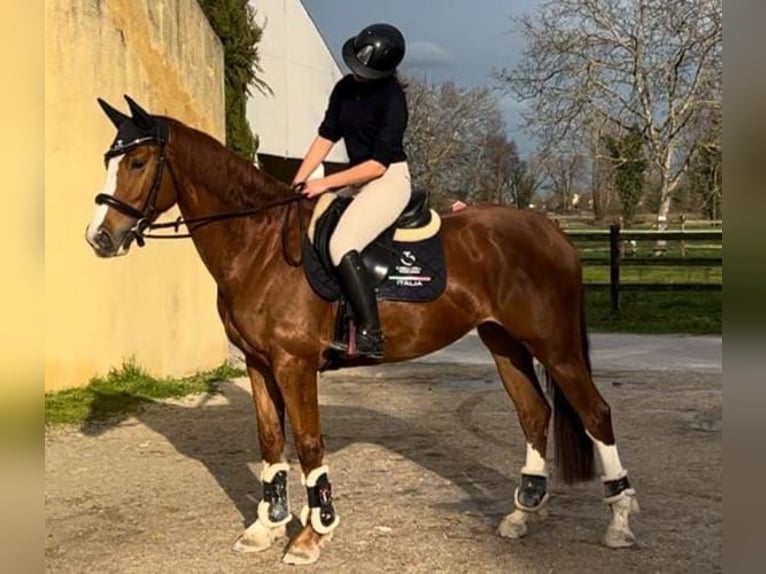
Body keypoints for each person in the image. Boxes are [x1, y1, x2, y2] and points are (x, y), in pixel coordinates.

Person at [292, 23, 410, 359]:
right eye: (355, 66)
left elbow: (377, 165)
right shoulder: (344, 88)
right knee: (309, 225)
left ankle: (371, 333)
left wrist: (325, 183)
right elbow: (327, 135)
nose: (356, 74)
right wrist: (300, 180)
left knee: (342, 242)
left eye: (364, 71)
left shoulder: (393, 100)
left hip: (386, 180)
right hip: (355, 181)